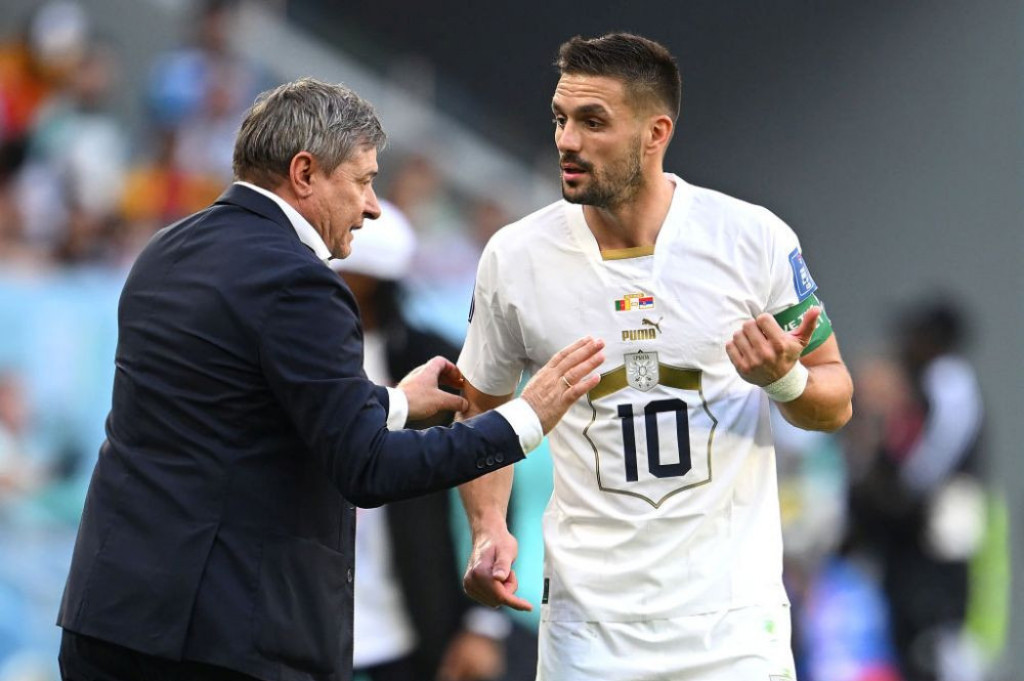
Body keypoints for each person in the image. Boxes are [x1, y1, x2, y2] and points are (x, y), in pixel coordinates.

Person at [56, 77, 605, 681]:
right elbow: (367, 468)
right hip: (221, 637)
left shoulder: (166, 250)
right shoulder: (301, 281)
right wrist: (523, 418)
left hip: (107, 616)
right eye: (364, 181)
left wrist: (394, 404)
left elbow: (236, 405)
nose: (372, 206)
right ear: (304, 172)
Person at [457, 33, 853, 681]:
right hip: (588, 631)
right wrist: (487, 526)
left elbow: (836, 400)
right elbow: (481, 407)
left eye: (593, 122)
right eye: (560, 119)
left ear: (655, 133)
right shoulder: (514, 257)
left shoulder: (752, 240)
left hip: (731, 625)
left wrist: (784, 379)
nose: (567, 141)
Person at [329, 203, 510, 681]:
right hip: (301, 622)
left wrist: (483, 622)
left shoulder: (435, 361)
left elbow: (490, 480)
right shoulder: (290, 358)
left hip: (410, 625)